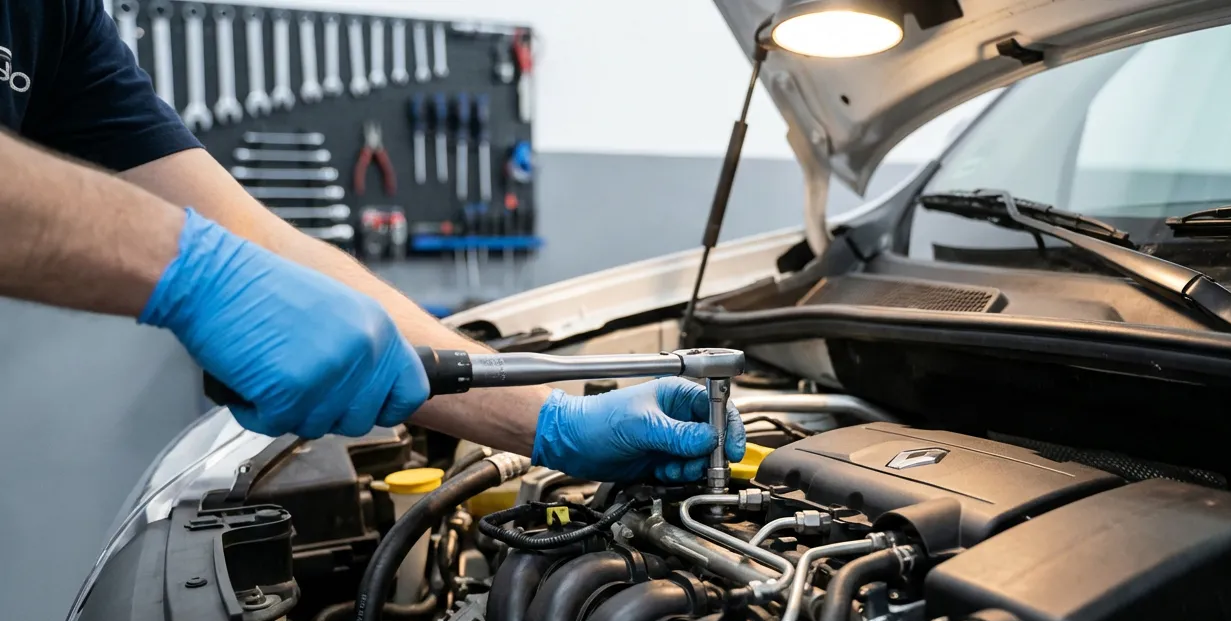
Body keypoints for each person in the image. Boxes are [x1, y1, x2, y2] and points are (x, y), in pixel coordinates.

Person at [0, 0, 743, 483]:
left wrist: (553, 418)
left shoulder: (60, 19)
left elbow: (252, 237)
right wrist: (196, 272)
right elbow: (223, 254)